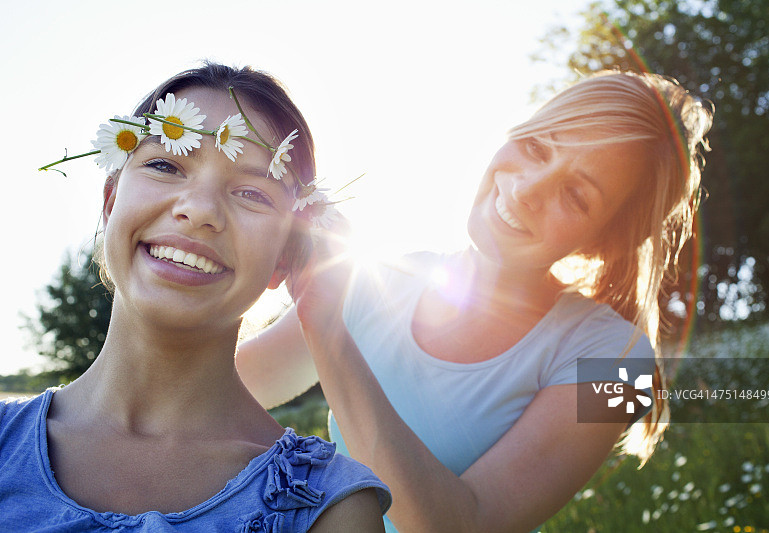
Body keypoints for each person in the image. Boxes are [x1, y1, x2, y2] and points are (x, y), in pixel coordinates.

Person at [236, 70, 713, 532]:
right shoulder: (373, 279)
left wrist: (328, 333)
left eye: (576, 195)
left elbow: (464, 525)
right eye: (535, 147)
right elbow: (219, 384)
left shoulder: (621, 362)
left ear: (604, 239)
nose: (527, 189)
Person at [0, 63, 390, 532]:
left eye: (252, 192)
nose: (200, 209)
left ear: (286, 257)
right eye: (165, 164)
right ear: (110, 202)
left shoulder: (327, 506)